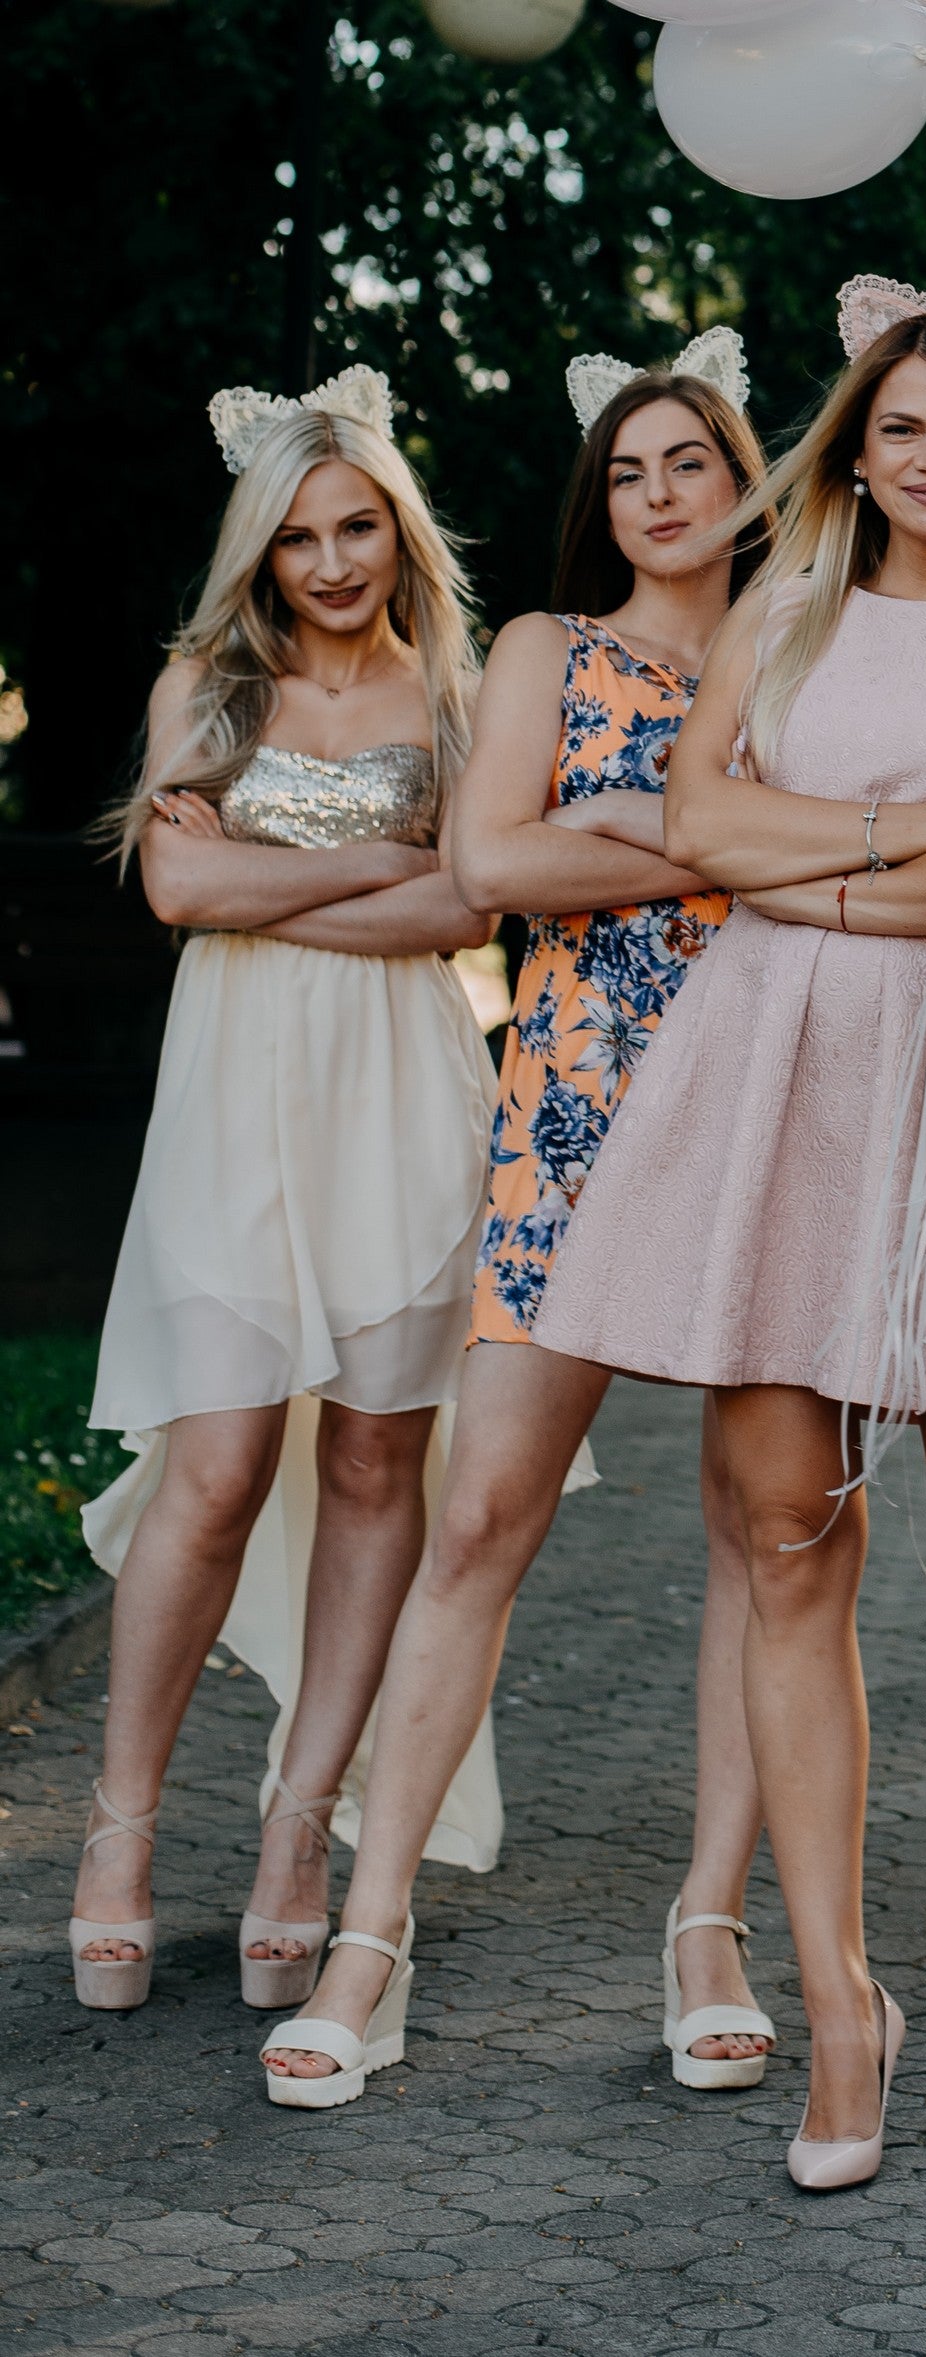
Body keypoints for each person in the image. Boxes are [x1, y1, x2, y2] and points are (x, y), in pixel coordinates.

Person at [526, 276, 926, 2195]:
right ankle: (841, 2002)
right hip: (766, 1078)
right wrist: (890, 855)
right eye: (904, 426)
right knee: (785, 1529)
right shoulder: (782, 606)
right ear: (856, 439)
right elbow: (700, 821)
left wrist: (841, 830)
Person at [261, 337, 784, 2106]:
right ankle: (371, 1933)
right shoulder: (551, 653)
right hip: (568, 1111)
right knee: (478, 1511)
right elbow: (493, 871)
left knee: (764, 1529)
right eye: (630, 470)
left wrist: (624, 824)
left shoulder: (811, 652)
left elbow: (867, 859)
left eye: (690, 463)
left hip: (767, 1103)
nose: (658, 492)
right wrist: (722, 838)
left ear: (746, 485)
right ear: (603, 501)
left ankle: (708, 1921)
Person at [73, 370, 494, 2014]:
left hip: (405, 1102)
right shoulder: (209, 683)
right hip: (238, 1105)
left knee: (385, 1456)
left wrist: (295, 882)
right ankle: (117, 1829)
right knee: (221, 1457)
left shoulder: (453, 688)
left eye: (360, 526)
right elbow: (174, 883)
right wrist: (379, 866)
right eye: (302, 537)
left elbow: (468, 912)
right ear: (261, 551)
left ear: (398, 527)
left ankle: (299, 1831)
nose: (333, 562)